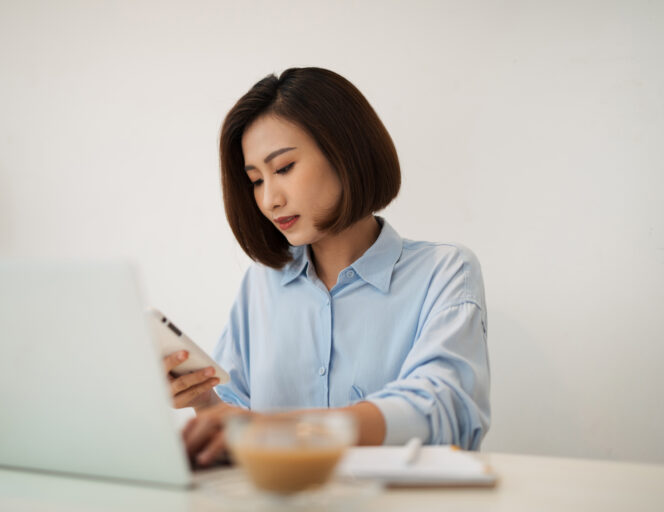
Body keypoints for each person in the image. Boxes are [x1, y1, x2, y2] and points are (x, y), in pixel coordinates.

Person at [163, 67, 490, 467]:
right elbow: (236, 420)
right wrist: (204, 401)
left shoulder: (445, 271)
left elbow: (442, 407)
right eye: (255, 180)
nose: (269, 200)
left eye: (283, 168)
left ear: (345, 152)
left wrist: (288, 432)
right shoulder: (261, 285)